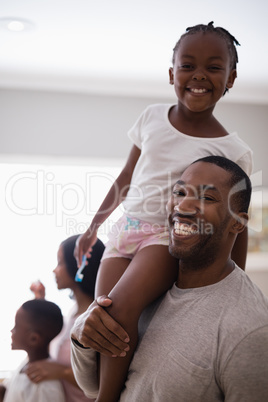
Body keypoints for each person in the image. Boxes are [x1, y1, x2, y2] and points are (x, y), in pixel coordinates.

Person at [74, 22, 254, 402]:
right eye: (187, 66)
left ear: (231, 78)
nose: (199, 75)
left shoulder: (233, 150)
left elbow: (236, 222)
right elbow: (125, 177)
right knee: (101, 314)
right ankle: (107, 392)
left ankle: (106, 399)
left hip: (163, 236)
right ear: (172, 73)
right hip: (125, 230)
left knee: (120, 309)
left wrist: (234, 278)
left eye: (214, 67)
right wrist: (93, 229)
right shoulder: (152, 117)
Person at [71, 156, 268, 401]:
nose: (182, 207)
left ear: (237, 222)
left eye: (207, 198)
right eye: (180, 192)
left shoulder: (250, 329)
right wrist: (80, 335)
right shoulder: (142, 289)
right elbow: (93, 388)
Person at [29, 235, 105, 402]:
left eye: (60, 263)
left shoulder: (97, 319)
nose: (54, 270)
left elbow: (103, 383)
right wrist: (40, 302)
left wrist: (60, 372)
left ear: (79, 266)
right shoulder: (71, 315)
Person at [0, 299, 65, 402]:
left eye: (16, 327)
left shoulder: (46, 386)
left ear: (33, 339)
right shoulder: (27, 363)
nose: (11, 331)